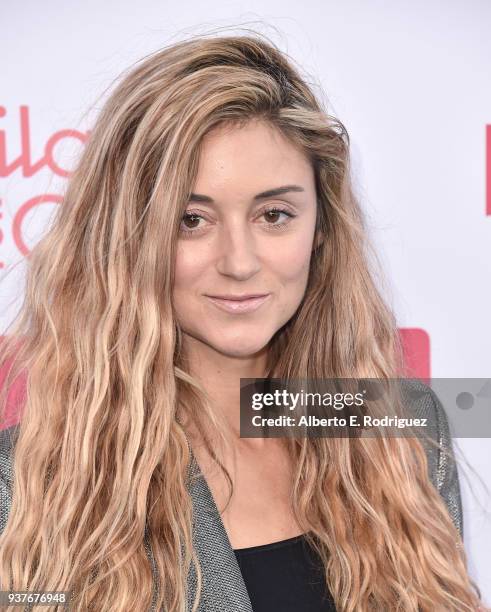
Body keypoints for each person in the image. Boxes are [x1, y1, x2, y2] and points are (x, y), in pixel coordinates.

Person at [0, 32, 486, 611]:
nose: (239, 262)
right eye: (191, 220)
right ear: (125, 239)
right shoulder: (30, 485)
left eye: (274, 215)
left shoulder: (401, 429)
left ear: (322, 228)